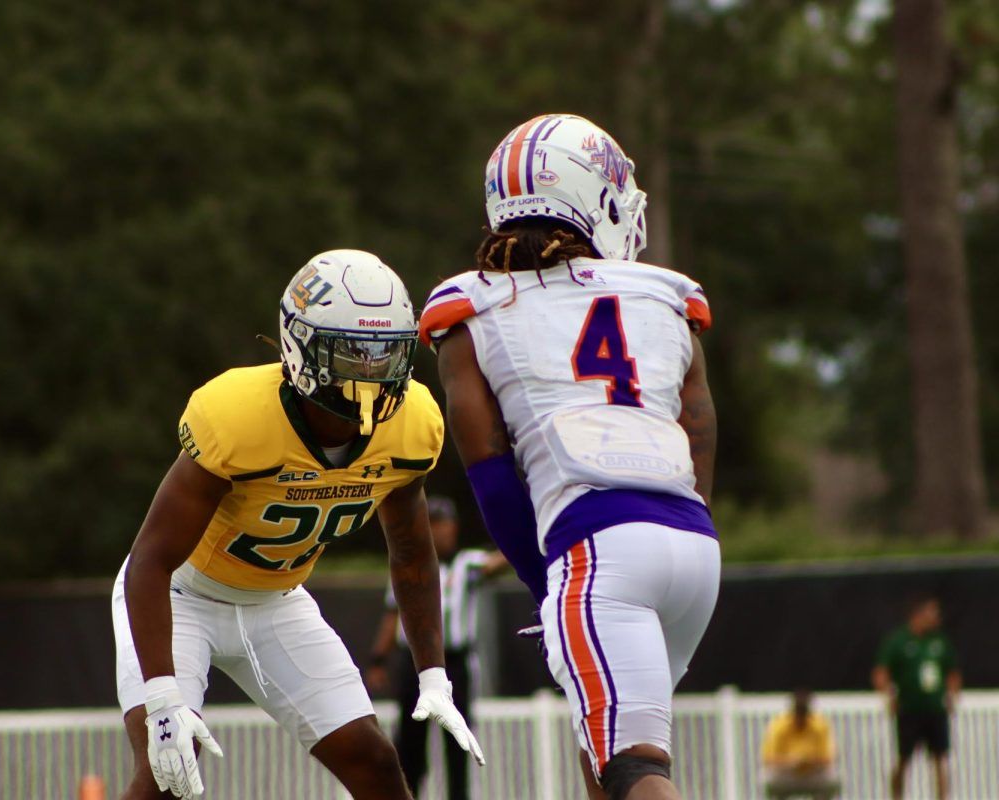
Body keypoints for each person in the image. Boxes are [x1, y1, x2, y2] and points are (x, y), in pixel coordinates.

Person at [420, 113, 720, 800]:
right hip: (693, 544)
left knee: (634, 768)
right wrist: (696, 529)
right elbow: (698, 426)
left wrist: (544, 580)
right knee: (606, 748)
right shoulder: (668, 299)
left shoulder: (471, 311)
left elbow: (491, 476)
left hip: (598, 548)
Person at [111, 250, 484, 800]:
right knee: (170, 773)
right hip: (180, 596)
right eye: (352, 353)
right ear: (300, 344)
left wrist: (433, 674)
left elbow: (411, 552)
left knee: (376, 761)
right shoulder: (238, 415)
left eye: (385, 355)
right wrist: (164, 700)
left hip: (278, 601)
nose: (370, 373)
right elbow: (151, 558)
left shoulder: (412, 423)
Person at [365, 496, 508, 800]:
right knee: (410, 744)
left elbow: (497, 564)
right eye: (435, 525)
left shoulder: (466, 564)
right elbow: (392, 616)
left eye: (446, 524)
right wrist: (378, 660)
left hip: (455, 663)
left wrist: (520, 533)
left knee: (458, 743)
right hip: (413, 665)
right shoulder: (407, 563)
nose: (442, 532)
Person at [872, 595, 961, 800]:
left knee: (939, 758)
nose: (935, 617)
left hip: (935, 709)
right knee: (904, 759)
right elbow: (881, 672)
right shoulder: (899, 641)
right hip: (909, 709)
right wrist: (889, 695)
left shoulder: (939, 641)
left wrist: (952, 696)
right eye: (931, 613)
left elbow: (952, 672)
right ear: (918, 615)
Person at [760, 689, 840, 800]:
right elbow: (768, 759)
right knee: (769, 778)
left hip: (813, 774)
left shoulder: (819, 726)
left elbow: (828, 758)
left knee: (831, 778)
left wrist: (809, 762)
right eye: (798, 714)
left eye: (804, 714)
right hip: (786, 774)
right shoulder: (779, 726)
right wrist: (791, 762)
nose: (800, 719)